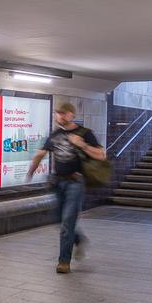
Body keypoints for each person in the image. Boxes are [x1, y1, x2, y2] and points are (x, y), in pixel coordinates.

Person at [26, 103, 105, 274]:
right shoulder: (56, 134)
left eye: (63, 113)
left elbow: (101, 155)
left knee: (68, 221)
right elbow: (41, 152)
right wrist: (31, 170)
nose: (60, 116)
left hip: (75, 183)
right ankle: (79, 239)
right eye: (57, 113)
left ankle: (64, 262)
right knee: (58, 220)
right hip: (57, 183)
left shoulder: (85, 133)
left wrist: (82, 145)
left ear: (71, 115)